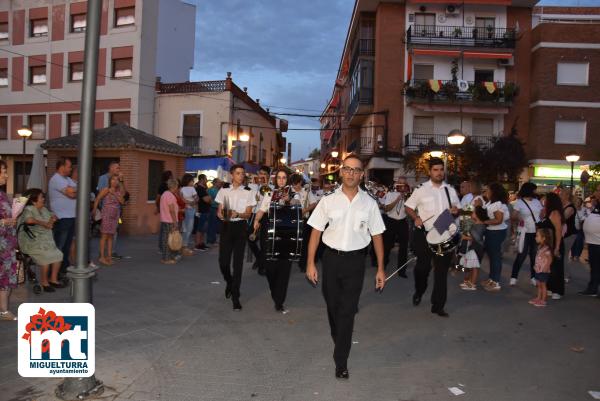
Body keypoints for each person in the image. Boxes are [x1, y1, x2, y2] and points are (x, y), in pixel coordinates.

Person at [306, 154, 386, 380]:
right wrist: (311, 263)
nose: (351, 173)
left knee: (348, 311)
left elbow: (377, 235)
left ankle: (341, 361)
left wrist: (380, 268)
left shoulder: (369, 203)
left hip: (355, 262)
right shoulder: (327, 200)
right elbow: (315, 231)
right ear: (341, 171)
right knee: (333, 308)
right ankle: (339, 336)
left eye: (356, 170)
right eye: (348, 169)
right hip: (331, 260)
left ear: (362, 175)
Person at [405, 157, 460, 317]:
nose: (439, 173)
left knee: (441, 272)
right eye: (435, 170)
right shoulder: (421, 189)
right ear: (430, 172)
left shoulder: (450, 190)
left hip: (443, 234)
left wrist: (457, 211)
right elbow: (409, 206)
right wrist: (416, 218)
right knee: (423, 268)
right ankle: (419, 290)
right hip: (425, 234)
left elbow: (458, 208)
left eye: (441, 169)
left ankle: (438, 305)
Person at [215, 165, 257, 311]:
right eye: (238, 173)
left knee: (238, 264)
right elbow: (219, 211)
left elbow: (249, 214)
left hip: (240, 227)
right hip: (226, 226)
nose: (241, 176)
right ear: (232, 175)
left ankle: (236, 296)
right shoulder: (224, 190)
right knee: (223, 262)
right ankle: (229, 282)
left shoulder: (248, 192)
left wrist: (237, 214)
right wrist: (221, 214)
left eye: (242, 174)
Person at [253, 169, 293, 312]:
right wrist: (256, 221)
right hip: (270, 233)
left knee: (284, 268)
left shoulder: (294, 194)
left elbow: (298, 207)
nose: (281, 180)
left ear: (287, 179)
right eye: (279, 178)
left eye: (284, 178)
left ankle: (279, 300)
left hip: (287, 234)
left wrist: (289, 201)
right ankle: (274, 290)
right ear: (276, 180)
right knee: (270, 267)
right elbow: (262, 210)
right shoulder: (269, 193)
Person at [17, 189, 65, 292]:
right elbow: (29, 220)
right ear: (34, 201)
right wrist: (44, 223)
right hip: (31, 242)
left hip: (45, 241)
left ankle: (53, 279)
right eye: (41, 197)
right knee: (46, 257)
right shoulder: (28, 209)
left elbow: (52, 220)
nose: (44, 199)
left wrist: (52, 219)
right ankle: (44, 282)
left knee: (58, 254)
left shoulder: (43, 209)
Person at [48, 157, 77, 279]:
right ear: (62, 167)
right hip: (62, 218)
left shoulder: (68, 179)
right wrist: (76, 191)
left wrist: (75, 190)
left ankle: (62, 270)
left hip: (70, 217)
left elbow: (79, 190)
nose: (71, 169)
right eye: (69, 166)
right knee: (59, 247)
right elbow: (71, 194)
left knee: (66, 246)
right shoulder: (56, 179)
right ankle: (53, 274)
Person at [510, 182, 543, 286]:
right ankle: (514, 277)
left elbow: (542, 214)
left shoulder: (537, 202)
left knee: (534, 256)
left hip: (536, 232)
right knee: (521, 254)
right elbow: (513, 216)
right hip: (524, 231)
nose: (536, 191)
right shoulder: (519, 202)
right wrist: (519, 217)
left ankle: (533, 277)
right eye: (534, 189)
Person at [479, 182, 509, 292]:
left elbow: (498, 220)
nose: (485, 192)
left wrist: (483, 222)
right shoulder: (491, 203)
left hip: (496, 232)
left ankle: (495, 282)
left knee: (495, 257)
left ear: (493, 192)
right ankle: (491, 279)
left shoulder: (497, 204)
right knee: (492, 257)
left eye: (487, 190)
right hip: (492, 231)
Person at [92, 175, 126, 265]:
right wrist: (94, 210)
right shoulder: (106, 189)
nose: (115, 181)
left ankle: (109, 257)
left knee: (111, 236)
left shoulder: (118, 191)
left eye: (116, 180)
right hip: (106, 214)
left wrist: (114, 193)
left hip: (115, 216)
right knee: (104, 236)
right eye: (113, 179)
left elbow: (122, 202)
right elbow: (97, 199)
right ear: (110, 181)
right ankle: (102, 257)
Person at [538, 192, 565, 300]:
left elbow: (558, 231)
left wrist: (557, 247)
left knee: (556, 268)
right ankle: (549, 287)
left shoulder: (554, 213)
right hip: (547, 244)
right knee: (547, 266)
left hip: (555, 243)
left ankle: (557, 290)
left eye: (546, 200)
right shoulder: (547, 212)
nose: (544, 201)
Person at [0, 160, 18, 321]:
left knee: (5, 277)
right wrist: (3, 222)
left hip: (6, 244)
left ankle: (4, 311)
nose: (6, 175)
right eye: (4, 171)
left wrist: (12, 219)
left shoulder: (2, 194)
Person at [382, 180, 409, 278]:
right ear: (397, 184)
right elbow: (386, 209)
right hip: (391, 221)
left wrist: (405, 198)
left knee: (404, 247)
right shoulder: (390, 194)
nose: (402, 186)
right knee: (387, 245)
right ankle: (383, 265)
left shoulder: (408, 195)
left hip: (402, 221)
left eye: (404, 184)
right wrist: (397, 199)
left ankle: (402, 270)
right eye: (400, 184)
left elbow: (411, 209)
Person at [248, 167, 271, 273]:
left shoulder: (270, 187)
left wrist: (265, 185)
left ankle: (262, 266)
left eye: (264, 174)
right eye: (260, 173)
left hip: (265, 215)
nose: (261, 175)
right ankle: (259, 257)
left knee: (264, 241)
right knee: (250, 239)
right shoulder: (252, 186)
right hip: (253, 214)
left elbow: (268, 199)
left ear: (268, 175)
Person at [578, 187, 600, 297]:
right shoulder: (596, 205)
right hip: (593, 241)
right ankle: (593, 287)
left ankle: (593, 288)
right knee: (594, 266)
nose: (596, 192)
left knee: (597, 266)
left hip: (598, 242)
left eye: (598, 190)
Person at [529, 227, 553, 307]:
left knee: (543, 285)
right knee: (539, 285)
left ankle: (543, 300)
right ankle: (538, 298)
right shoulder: (540, 247)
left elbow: (550, 259)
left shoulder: (547, 249)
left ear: (543, 238)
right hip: (538, 270)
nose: (535, 237)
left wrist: (546, 267)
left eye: (537, 236)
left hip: (543, 271)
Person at [159, 179, 181, 264]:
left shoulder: (164, 194)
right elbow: (171, 210)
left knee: (165, 239)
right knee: (169, 240)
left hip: (164, 219)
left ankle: (165, 257)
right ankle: (167, 259)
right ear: (175, 186)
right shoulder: (170, 195)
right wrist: (175, 222)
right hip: (170, 220)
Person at [560, 188, 577, 282]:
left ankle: (566, 276)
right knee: (563, 254)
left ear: (567, 195)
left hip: (569, 234)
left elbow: (563, 218)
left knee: (564, 255)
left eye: (562, 194)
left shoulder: (570, 207)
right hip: (564, 234)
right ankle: (565, 274)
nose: (560, 195)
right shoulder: (563, 205)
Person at [179, 174, 198, 256]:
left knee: (184, 228)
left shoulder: (182, 189)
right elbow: (196, 198)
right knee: (189, 228)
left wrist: (188, 202)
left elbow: (181, 199)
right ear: (188, 181)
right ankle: (184, 246)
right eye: (192, 181)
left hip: (184, 209)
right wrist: (191, 202)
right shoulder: (191, 189)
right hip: (190, 209)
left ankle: (181, 245)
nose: (193, 182)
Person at [194, 174, 212, 251]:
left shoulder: (204, 188)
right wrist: (210, 198)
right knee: (200, 228)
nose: (207, 180)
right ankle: (198, 245)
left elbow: (209, 199)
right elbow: (207, 200)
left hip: (206, 210)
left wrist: (209, 198)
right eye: (206, 179)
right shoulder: (200, 189)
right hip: (202, 210)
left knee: (203, 228)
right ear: (202, 179)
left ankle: (201, 243)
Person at [207, 178, 222, 246]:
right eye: (219, 182)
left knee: (214, 225)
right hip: (213, 208)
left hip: (216, 208)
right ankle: (211, 240)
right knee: (212, 225)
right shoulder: (211, 190)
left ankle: (212, 240)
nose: (220, 184)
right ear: (215, 183)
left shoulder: (218, 189)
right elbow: (210, 200)